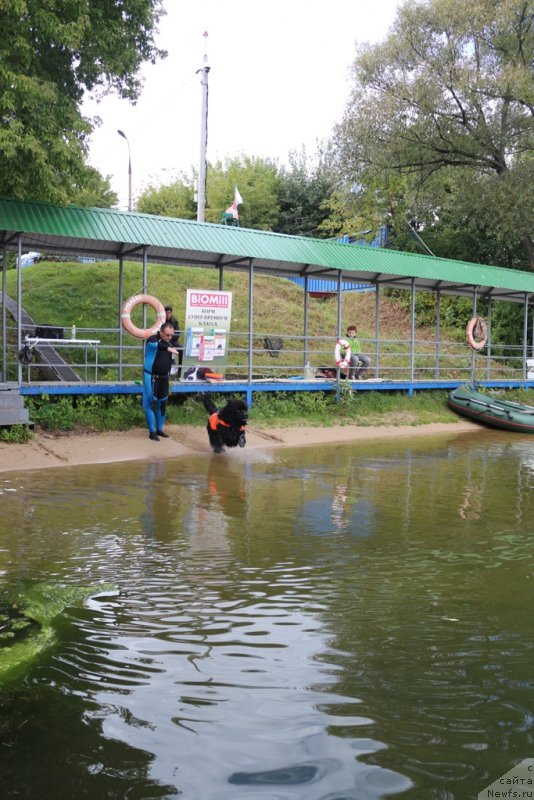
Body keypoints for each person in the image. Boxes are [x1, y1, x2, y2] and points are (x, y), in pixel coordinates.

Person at [142, 322, 179, 441]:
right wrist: (168, 348)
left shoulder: (169, 342)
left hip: (164, 378)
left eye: (171, 335)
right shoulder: (152, 339)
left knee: (162, 403)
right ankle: (152, 432)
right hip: (151, 377)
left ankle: (159, 429)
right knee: (150, 403)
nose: (170, 337)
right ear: (161, 332)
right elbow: (157, 346)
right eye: (167, 335)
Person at [164, 305, 183, 375]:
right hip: (164, 341)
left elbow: (177, 335)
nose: (167, 315)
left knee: (181, 349)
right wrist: (171, 334)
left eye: (169, 313)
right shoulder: (161, 320)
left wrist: (168, 335)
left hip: (173, 341)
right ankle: (164, 370)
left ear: (171, 313)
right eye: (166, 313)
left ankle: (180, 370)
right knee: (162, 349)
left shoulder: (175, 321)